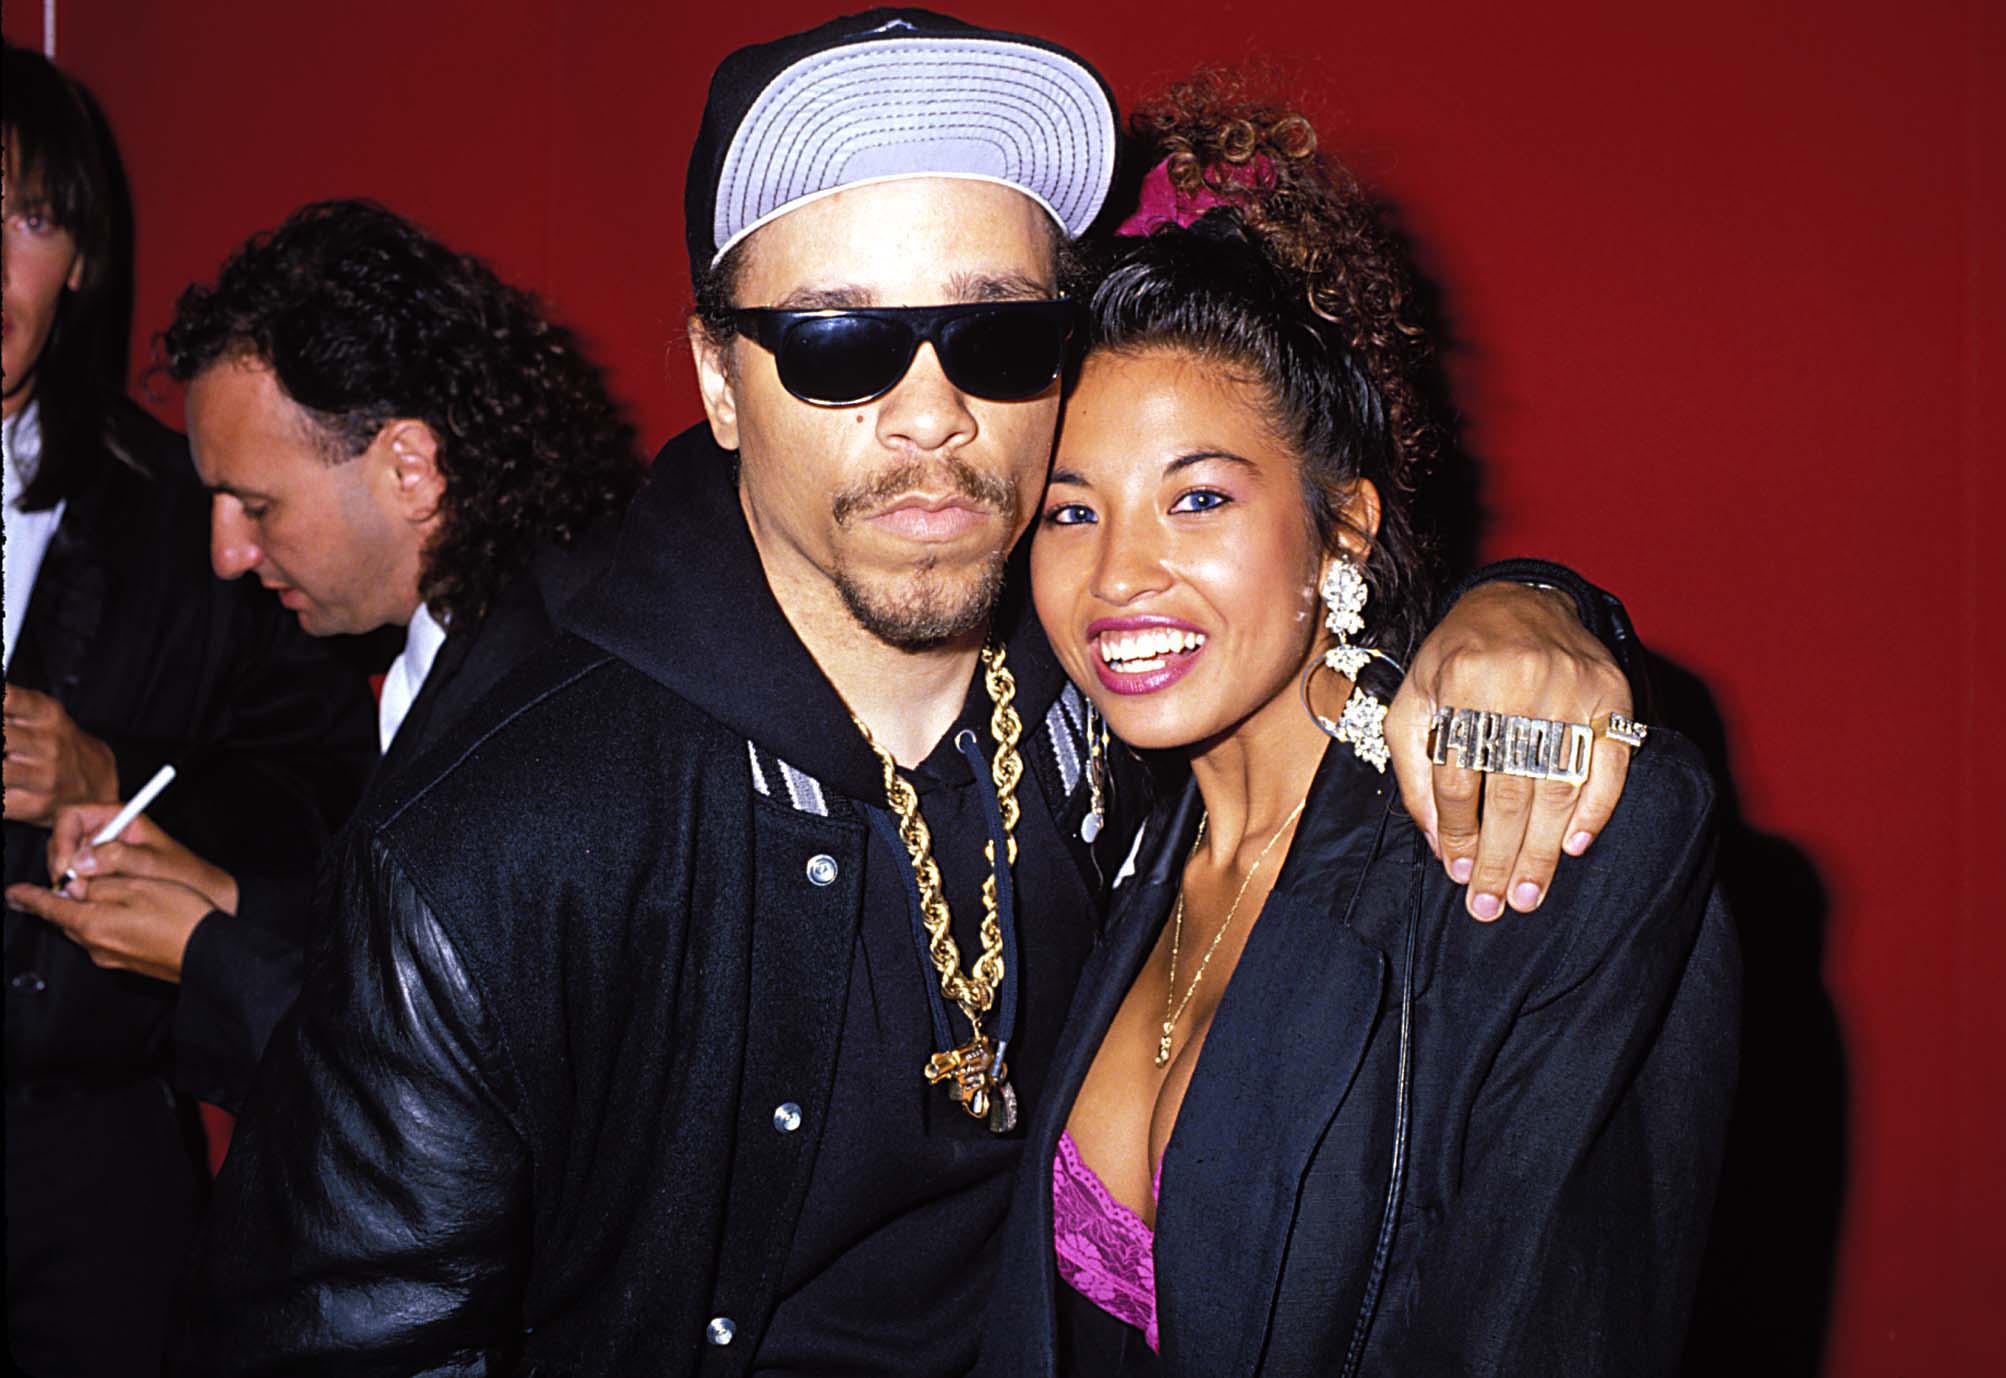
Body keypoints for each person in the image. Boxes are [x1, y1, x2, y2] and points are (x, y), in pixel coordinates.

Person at [169, 14, 1654, 1374]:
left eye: (999, 333)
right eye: (838, 344)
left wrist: (1535, 606)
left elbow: (1319, 595)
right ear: (720, 379)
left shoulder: (1104, 676)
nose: (933, 413)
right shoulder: (506, 830)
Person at [979, 85, 1740, 1376]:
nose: (1120, 576)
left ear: (1343, 528)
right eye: (1070, 511)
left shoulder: (1517, 843)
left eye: (1199, 496)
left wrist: (1552, 611)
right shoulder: (1101, 843)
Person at [6, 198, 647, 1112]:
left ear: (410, 470)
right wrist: (220, 898)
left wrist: (208, 956)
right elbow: (413, 969)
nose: (226, 555)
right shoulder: (482, 631)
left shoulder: (548, 689)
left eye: (256, 506)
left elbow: (465, 1096)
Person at [1, 45, 375, 1377]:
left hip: (88, 1164)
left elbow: (334, 785)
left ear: (83, 259)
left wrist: (112, 764)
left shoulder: (191, 510)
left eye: (29, 219)